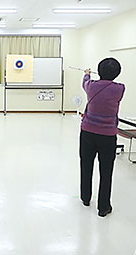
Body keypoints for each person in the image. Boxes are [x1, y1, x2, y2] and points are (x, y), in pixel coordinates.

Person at [80, 58, 125, 217]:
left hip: (87, 133)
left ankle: (85, 198)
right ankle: (103, 207)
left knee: (86, 165)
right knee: (106, 171)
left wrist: (86, 74)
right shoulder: (119, 89)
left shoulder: (91, 86)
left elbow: (85, 82)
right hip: (108, 136)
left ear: (98, 71)